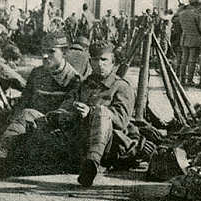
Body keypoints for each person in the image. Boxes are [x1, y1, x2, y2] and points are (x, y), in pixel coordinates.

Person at [51, 40, 155, 186]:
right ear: (90, 62)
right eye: (95, 60)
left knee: (101, 112)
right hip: (82, 139)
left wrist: (91, 112)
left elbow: (121, 120)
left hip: (111, 145)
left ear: (113, 63)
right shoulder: (83, 85)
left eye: (104, 60)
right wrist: (68, 113)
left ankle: (91, 165)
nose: (99, 64)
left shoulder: (121, 86)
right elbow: (66, 106)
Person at [0, 32, 80, 171]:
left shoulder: (74, 80)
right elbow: (23, 101)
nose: (45, 56)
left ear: (64, 53)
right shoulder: (37, 73)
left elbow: (67, 116)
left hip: (53, 131)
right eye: (43, 51)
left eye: (51, 52)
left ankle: (0, 156)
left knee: (26, 116)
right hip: (28, 127)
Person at [177, 0, 201, 86]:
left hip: (184, 38)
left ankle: (182, 79)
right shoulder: (197, 14)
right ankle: (189, 80)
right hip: (195, 39)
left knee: (184, 60)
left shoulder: (182, 13)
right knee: (192, 60)